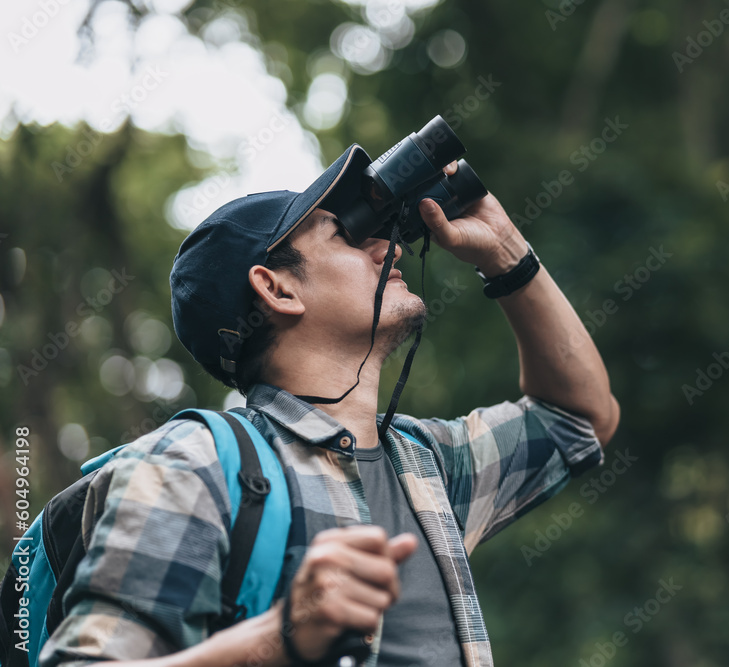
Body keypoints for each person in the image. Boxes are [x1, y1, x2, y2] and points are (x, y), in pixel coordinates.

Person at [40, 144, 620, 667]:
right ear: (278, 289)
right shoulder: (194, 465)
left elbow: (580, 418)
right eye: (345, 233)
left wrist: (507, 255)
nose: (382, 244)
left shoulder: (427, 466)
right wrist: (281, 637)